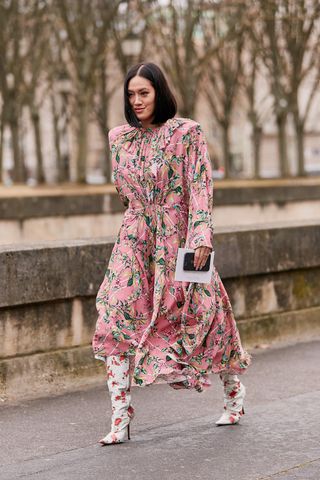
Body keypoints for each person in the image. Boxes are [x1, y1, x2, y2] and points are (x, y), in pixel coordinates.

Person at [92, 62, 252, 445]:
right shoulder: (119, 138)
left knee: (204, 314)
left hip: (179, 240)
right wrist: (138, 224)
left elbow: (200, 186)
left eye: (143, 93)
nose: (137, 100)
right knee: (115, 313)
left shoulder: (186, 133)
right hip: (135, 240)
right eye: (131, 94)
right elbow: (124, 193)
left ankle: (233, 393)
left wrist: (201, 236)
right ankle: (120, 416)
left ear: (159, 93)